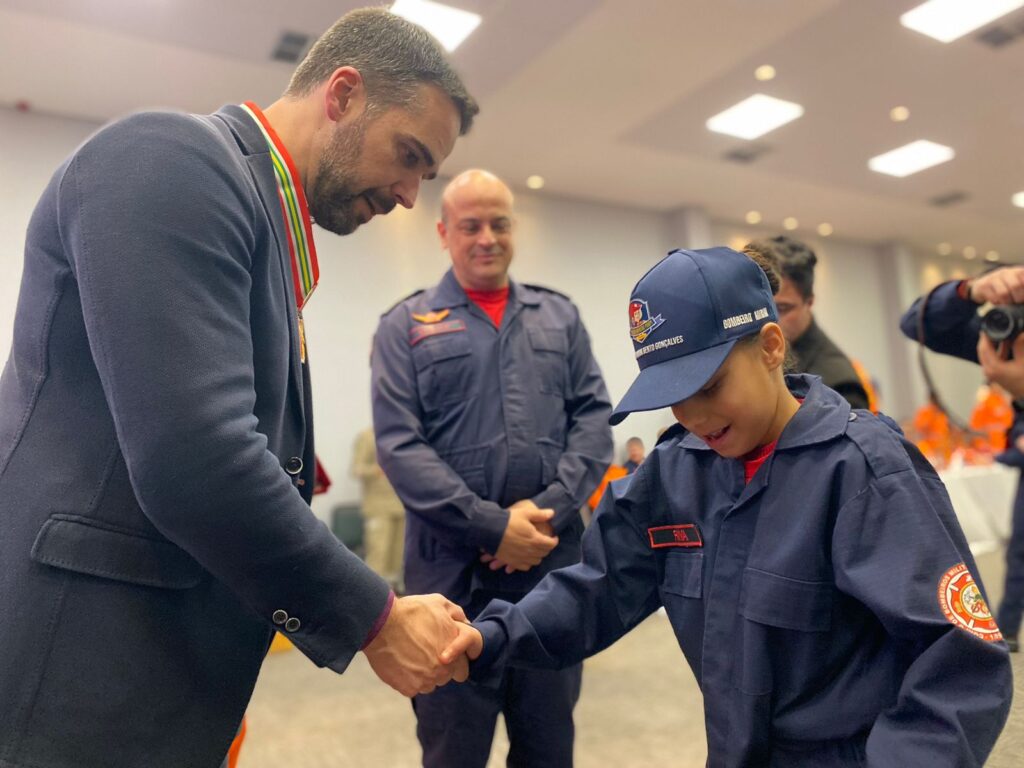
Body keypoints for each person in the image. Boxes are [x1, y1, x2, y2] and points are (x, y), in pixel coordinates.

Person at [0, 9, 479, 768]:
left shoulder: (262, 225)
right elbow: (194, 456)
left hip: (163, 666)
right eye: (409, 155)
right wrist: (375, 615)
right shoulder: (172, 158)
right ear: (344, 94)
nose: (411, 194)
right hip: (75, 666)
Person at [443, 247, 1013, 767]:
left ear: (770, 347)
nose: (692, 417)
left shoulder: (862, 469)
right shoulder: (674, 474)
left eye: (710, 387)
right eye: (672, 399)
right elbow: (596, 588)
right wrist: (492, 635)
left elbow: (959, 662)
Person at [371, 169, 613, 768]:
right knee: (454, 747)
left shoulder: (559, 316)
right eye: (470, 225)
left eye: (499, 223)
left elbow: (594, 417)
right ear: (443, 233)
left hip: (550, 574)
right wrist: (490, 526)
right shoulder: (405, 326)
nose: (487, 237)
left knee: (549, 745)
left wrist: (547, 513)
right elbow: (401, 447)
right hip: (451, 584)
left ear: (513, 229)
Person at [900, 265, 1024, 652]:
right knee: (1019, 553)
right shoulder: (1004, 338)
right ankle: (1006, 633)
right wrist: (971, 291)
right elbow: (916, 324)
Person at [744, 235, 870, 409]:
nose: (769, 320)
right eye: (761, 307)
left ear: (809, 302)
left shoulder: (839, 383)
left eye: (782, 308)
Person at [352, 426, 406, 590]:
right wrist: (378, 470)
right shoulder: (367, 436)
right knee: (378, 552)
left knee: (398, 554)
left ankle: (394, 592)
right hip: (378, 506)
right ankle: (373, 592)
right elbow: (357, 469)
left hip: (401, 504)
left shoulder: (400, 435)